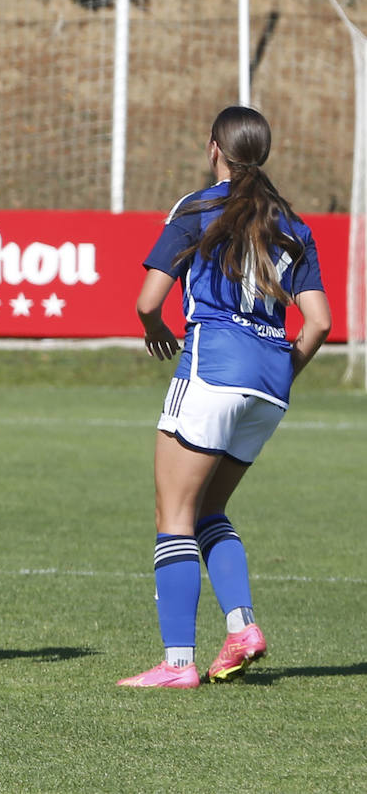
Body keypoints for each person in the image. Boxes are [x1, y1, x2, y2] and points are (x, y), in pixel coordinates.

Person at [118, 106, 331, 688]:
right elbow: (318, 323)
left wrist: (154, 328)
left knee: (175, 514)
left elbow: (145, 299)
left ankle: (177, 664)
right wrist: (280, 371)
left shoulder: (199, 207)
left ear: (214, 147)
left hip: (212, 370)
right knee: (210, 509)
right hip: (269, 386)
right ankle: (241, 627)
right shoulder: (293, 224)